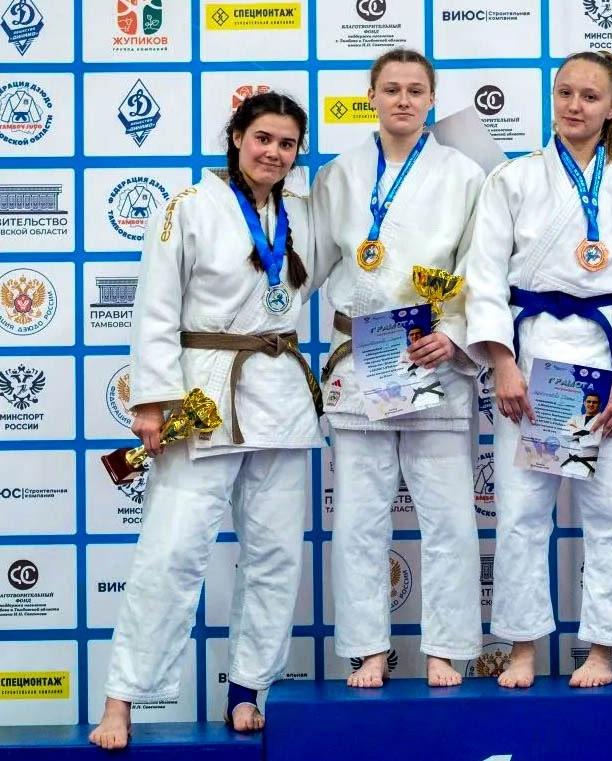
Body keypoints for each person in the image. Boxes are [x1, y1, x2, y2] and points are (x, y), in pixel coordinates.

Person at [89, 92, 321, 749]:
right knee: (171, 551)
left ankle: (249, 688)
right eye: (263, 138)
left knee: (275, 553)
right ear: (237, 136)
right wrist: (150, 402)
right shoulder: (188, 206)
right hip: (205, 395)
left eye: (286, 144)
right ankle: (120, 700)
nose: (273, 152)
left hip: (279, 393)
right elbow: (155, 306)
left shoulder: (303, 211)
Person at [464, 50, 612, 689]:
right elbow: (484, 276)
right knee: (521, 513)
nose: (574, 106)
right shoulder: (513, 178)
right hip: (529, 358)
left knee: (610, 514)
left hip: (604, 361)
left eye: (589, 96)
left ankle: (603, 649)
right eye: (565, 93)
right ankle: (523, 647)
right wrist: (502, 363)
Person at [310, 48, 484, 689]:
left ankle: (446, 648)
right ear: (372, 96)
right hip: (362, 358)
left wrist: (455, 336)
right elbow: (311, 265)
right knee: (358, 518)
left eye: (415, 89)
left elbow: (480, 269)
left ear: (432, 99)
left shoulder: (465, 174)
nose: (403, 100)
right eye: (391, 89)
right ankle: (368, 650)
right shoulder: (338, 175)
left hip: (430, 358)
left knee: (450, 520)